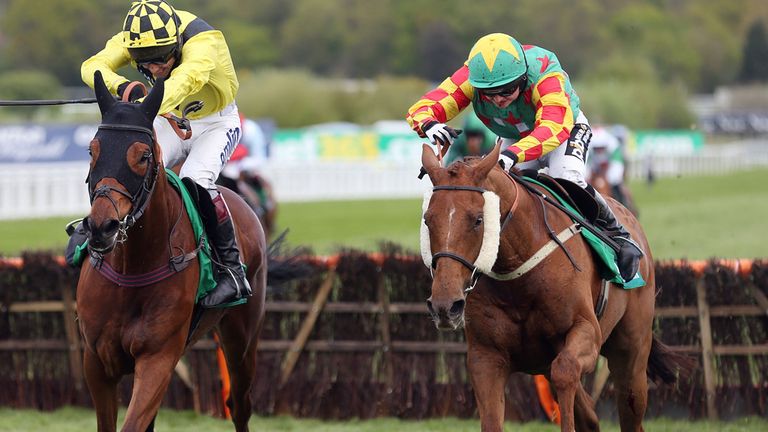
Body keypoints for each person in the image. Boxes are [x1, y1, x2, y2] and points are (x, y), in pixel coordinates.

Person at [406, 32, 642, 281]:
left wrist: (512, 154)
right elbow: (422, 108)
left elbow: (553, 127)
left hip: (563, 130)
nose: (498, 100)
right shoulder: (472, 75)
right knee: (499, 191)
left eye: (506, 90)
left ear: (522, 78)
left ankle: (618, 237)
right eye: (489, 93)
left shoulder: (544, 71)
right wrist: (429, 124)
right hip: (515, 137)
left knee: (566, 178)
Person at [76, 0, 249, 307]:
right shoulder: (136, 39)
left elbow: (188, 79)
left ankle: (233, 271)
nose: (156, 69)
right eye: (146, 64)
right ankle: (95, 224)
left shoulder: (205, 41)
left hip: (216, 123)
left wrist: (148, 98)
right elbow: (91, 67)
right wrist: (125, 87)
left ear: (176, 42)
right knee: (135, 163)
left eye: (161, 60)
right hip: (169, 118)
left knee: (194, 177)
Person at [587, 126, 637, 214]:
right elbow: (587, 165)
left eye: (601, 148)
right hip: (595, 166)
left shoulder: (613, 145)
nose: (599, 151)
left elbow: (616, 166)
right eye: (597, 149)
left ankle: (625, 205)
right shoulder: (588, 146)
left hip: (612, 164)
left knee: (614, 180)